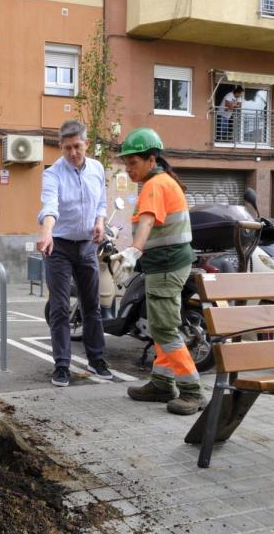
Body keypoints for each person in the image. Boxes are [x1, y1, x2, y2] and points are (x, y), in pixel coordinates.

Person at [115, 127, 204, 415]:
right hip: (167, 264)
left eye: (134, 163)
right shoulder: (162, 181)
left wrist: (134, 250)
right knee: (161, 326)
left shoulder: (155, 185)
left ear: (151, 159)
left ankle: (193, 391)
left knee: (164, 328)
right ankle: (162, 384)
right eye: (126, 163)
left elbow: (148, 221)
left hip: (166, 265)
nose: (129, 169)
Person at [36, 119, 115, 388]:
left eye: (77, 147)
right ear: (60, 147)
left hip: (87, 246)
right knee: (59, 308)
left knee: (91, 305)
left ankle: (96, 359)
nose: (72, 153)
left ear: (86, 144)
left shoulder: (96, 169)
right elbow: (50, 205)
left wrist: (99, 222)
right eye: (67, 148)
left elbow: (102, 203)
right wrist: (46, 233)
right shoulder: (53, 174)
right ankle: (61, 365)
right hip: (57, 246)